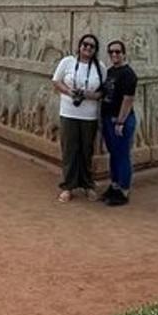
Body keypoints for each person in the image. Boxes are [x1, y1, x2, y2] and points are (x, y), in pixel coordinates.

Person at [51, 34, 105, 203]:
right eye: (85, 44)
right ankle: (68, 186)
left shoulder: (100, 66)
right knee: (69, 149)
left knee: (87, 150)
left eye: (92, 46)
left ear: (95, 50)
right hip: (69, 112)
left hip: (89, 114)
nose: (88, 48)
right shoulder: (67, 62)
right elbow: (56, 81)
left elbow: (103, 91)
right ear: (79, 46)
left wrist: (90, 95)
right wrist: (69, 92)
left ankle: (88, 184)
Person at [99, 40, 138, 207]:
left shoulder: (128, 74)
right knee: (113, 153)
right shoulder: (109, 72)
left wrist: (120, 121)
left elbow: (128, 99)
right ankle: (114, 185)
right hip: (108, 118)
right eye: (111, 52)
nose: (114, 55)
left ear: (124, 53)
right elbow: (102, 93)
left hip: (120, 120)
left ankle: (124, 190)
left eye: (117, 52)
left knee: (122, 154)